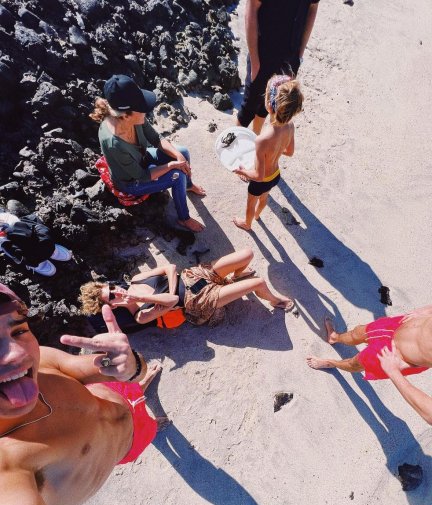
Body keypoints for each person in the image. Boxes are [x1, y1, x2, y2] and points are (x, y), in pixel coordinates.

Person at [0, 283, 164, 505]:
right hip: (125, 446)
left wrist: (129, 366)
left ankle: (143, 390)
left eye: (18, 331)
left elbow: (85, 368)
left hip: (115, 398)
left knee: (137, 384)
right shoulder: (9, 464)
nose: (17, 354)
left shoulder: (41, 362)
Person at [90, 74, 205, 232]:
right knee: (177, 176)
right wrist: (171, 165)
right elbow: (142, 176)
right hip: (132, 181)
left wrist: (178, 157)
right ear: (125, 115)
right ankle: (184, 218)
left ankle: (188, 186)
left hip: (143, 157)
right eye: (142, 108)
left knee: (182, 152)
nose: (147, 110)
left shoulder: (135, 118)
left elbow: (156, 138)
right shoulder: (113, 144)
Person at [79, 247, 295, 327]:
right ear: (113, 307)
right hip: (197, 301)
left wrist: (171, 291)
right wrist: (142, 299)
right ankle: (275, 301)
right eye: (113, 296)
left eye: (112, 287)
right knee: (258, 283)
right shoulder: (140, 315)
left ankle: (236, 279)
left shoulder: (136, 280)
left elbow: (170, 268)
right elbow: (173, 302)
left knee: (247, 253)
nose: (118, 291)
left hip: (192, 277)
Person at [306, 308, 432, 425]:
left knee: (355, 363)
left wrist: (393, 372)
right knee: (358, 332)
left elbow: (429, 413)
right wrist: (427, 309)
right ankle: (335, 337)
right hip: (403, 324)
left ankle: (332, 363)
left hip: (396, 356)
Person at [236, 0, 319, 134]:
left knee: (270, 105)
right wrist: (255, 61)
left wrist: (299, 55)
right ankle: (231, 150)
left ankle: (256, 142)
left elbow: (313, 7)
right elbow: (251, 7)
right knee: (248, 109)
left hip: (290, 57)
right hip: (263, 54)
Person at [233, 75, 303, 231]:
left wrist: (242, 171)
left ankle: (248, 223)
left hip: (261, 180)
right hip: (275, 175)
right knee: (264, 198)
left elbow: (258, 175)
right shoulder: (290, 126)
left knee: (251, 202)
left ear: (270, 106)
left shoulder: (262, 140)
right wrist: (275, 151)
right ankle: (258, 215)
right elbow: (290, 152)